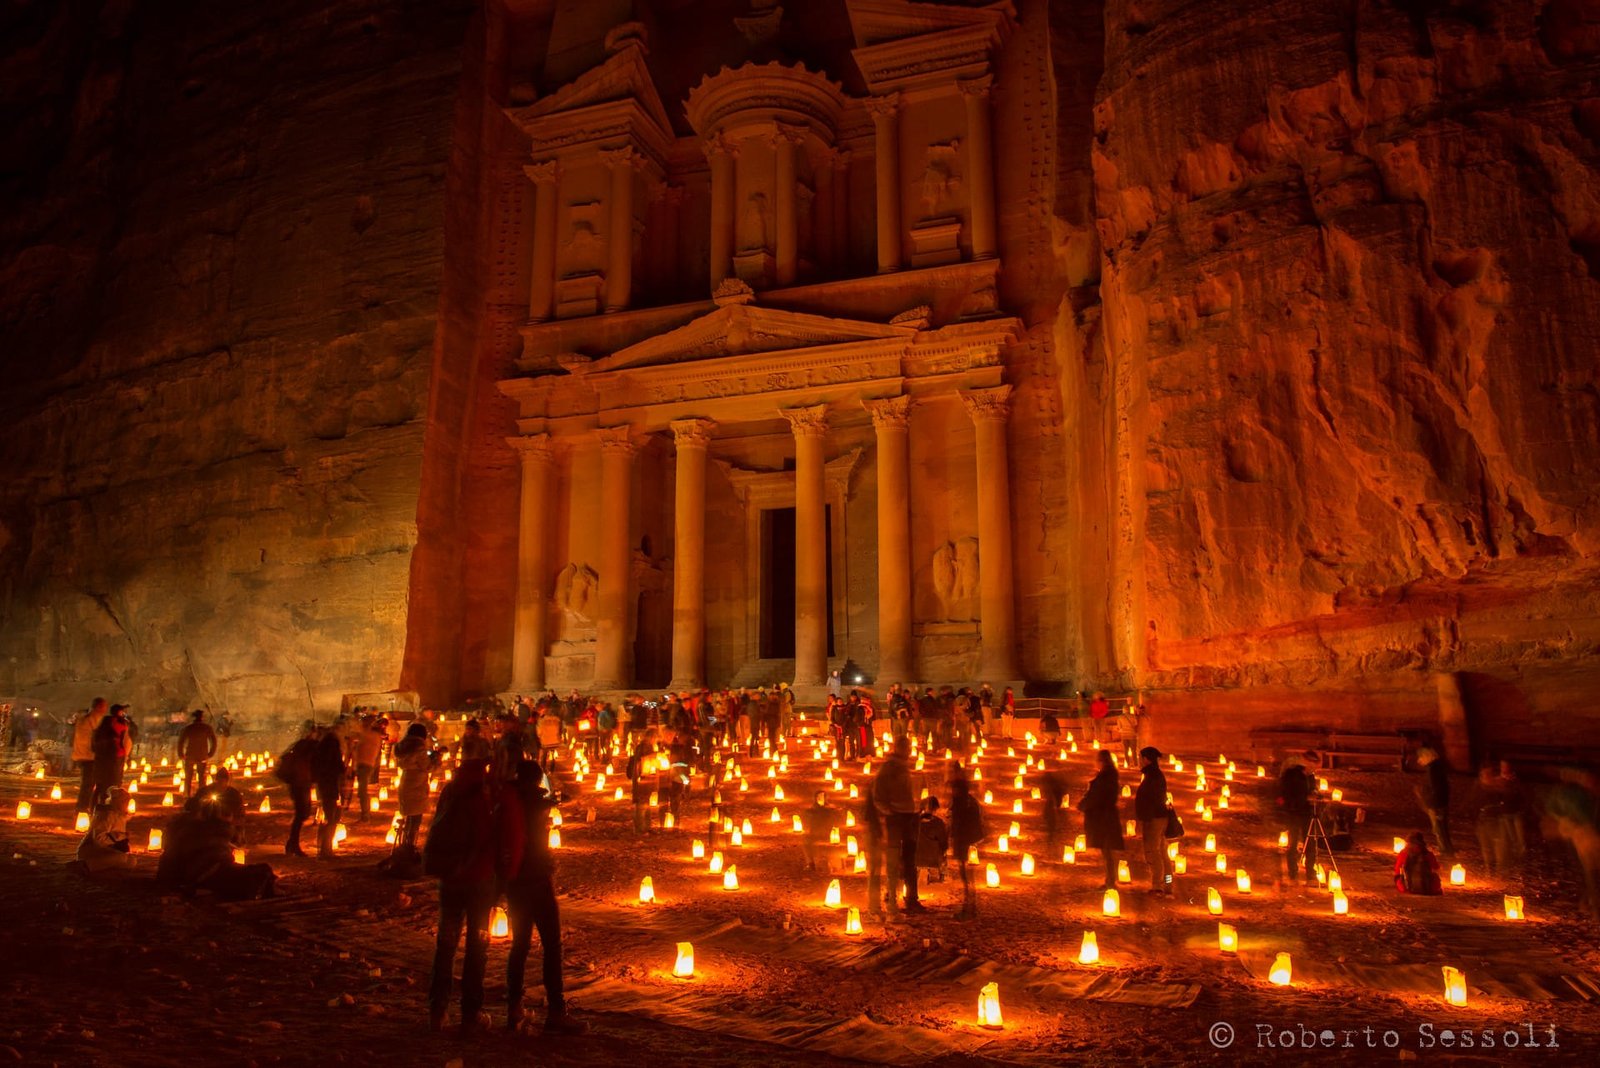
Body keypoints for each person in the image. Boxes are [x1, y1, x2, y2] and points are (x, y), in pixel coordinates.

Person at [501, 756, 587, 1035]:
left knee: (520, 946)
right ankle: (556, 1010)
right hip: (537, 878)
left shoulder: (506, 802)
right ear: (537, 780)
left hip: (514, 881)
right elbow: (563, 799)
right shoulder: (538, 803)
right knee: (552, 945)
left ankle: (514, 1008)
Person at [425, 757, 510, 1035]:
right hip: (478, 881)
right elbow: (490, 838)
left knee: (445, 945)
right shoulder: (483, 799)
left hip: (449, 880)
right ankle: (471, 1013)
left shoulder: (449, 792)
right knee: (477, 947)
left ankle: (437, 1011)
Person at [872, 736, 923, 914]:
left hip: (909, 817)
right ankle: (892, 896)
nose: (909, 750)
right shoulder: (889, 768)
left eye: (909, 747)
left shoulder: (903, 766)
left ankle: (911, 899)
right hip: (895, 819)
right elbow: (877, 794)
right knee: (894, 860)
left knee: (910, 860)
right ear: (899, 748)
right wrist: (888, 811)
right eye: (906, 747)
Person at [1078, 749, 1124, 889]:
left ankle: (1110, 881)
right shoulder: (1108, 775)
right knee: (1107, 850)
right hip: (1106, 815)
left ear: (1102, 761)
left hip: (1104, 817)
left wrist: (1083, 805)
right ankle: (1110, 880)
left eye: (1097, 760)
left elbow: (1097, 796)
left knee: (1107, 850)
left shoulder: (1106, 777)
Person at [1474, 761, 1527, 877]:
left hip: (1498, 821)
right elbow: (1474, 803)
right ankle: (1489, 871)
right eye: (1485, 774)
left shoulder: (1501, 786)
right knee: (1486, 848)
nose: (1487, 776)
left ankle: (1500, 874)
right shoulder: (1479, 787)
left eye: (1489, 774)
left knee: (1501, 849)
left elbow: (1512, 799)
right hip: (1483, 821)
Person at [393, 722, 434, 857]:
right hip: (417, 783)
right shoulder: (419, 748)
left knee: (408, 817)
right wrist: (436, 759)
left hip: (406, 781)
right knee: (415, 819)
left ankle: (404, 844)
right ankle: (410, 847)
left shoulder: (402, 747)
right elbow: (427, 766)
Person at [1135, 746, 1172, 894]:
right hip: (1159, 817)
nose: (1139, 761)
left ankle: (1157, 885)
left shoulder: (1153, 776)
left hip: (1154, 819)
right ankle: (1168, 884)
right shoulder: (1154, 774)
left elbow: (1152, 799)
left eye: (1140, 758)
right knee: (1162, 852)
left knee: (1154, 851)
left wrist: (1145, 818)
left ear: (1146, 759)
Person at [277, 726, 318, 857]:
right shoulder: (308, 745)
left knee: (302, 814)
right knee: (302, 814)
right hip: (300, 783)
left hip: (300, 783)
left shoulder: (301, 745)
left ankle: (292, 843)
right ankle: (293, 844)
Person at [1278, 751, 1318, 884]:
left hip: (1307, 813)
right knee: (1293, 842)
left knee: (1310, 842)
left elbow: (1312, 789)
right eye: (1312, 764)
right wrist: (1305, 798)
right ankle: (1292, 872)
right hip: (1293, 812)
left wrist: (1315, 795)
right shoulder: (1292, 775)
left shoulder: (1310, 777)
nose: (1314, 768)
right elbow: (1287, 794)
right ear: (1305, 762)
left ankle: (1310, 872)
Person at [949, 774, 985, 920]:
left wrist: (954, 839)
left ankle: (969, 908)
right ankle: (970, 907)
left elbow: (959, 823)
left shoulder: (962, 803)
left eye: (954, 789)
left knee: (967, 877)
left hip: (965, 842)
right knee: (967, 877)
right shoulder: (970, 801)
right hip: (970, 842)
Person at [76, 787, 133, 874]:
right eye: (125, 802)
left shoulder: (120, 816)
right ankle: (84, 865)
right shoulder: (106, 816)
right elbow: (99, 839)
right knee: (122, 858)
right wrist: (121, 836)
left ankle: (103, 866)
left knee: (131, 861)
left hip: (108, 850)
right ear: (119, 802)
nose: (127, 805)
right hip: (92, 849)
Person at [311, 725, 347, 859]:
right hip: (330, 785)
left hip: (324, 784)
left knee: (328, 817)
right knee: (331, 818)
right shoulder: (332, 745)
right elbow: (338, 767)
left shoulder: (320, 747)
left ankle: (324, 848)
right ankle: (325, 850)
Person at [90, 704, 132, 810]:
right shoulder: (120, 723)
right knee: (114, 784)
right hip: (115, 757)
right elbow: (125, 740)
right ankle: (111, 808)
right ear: (119, 712)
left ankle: (94, 807)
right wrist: (127, 757)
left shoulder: (103, 723)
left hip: (101, 757)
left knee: (100, 785)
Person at [71, 698, 109, 813]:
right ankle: (82, 807)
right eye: (104, 706)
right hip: (90, 755)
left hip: (84, 755)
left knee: (89, 783)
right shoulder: (94, 719)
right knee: (89, 784)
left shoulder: (85, 718)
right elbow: (97, 737)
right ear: (98, 707)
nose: (105, 709)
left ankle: (85, 806)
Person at [1415, 747, 1455, 856]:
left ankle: (1445, 851)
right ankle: (1447, 849)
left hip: (1436, 804)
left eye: (1420, 757)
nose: (1419, 761)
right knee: (1441, 828)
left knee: (1439, 829)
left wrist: (1433, 804)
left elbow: (1436, 788)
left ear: (1426, 756)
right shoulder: (1436, 768)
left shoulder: (1433, 770)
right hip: (1439, 803)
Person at [176, 710, 218, 797]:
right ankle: (201, 794)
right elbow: (213, 741)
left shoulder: (189, 728)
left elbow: (181, 742)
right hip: (202, 755)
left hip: (190, 755)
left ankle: (187, 794)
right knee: (202, 777)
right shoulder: (207, 728)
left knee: (188, 777)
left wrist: (181, 754)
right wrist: (211, 753)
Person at [351, 715, 386, 820]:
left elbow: (359, 740)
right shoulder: (372, 735)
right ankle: (365, 812)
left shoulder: (370, 735)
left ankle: (365, 813)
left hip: (366, 764)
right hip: (365, 763)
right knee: (362, 789)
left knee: (362, 790)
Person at [802, 790, 839, 872]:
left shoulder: (830, 809)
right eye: (818, 797)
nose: (820, 799)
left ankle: (830, 864)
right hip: (815, 834)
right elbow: (808, 821)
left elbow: (835, 821)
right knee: (806, 843)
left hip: (829, 835)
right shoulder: (812, 809)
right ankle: (811, 864)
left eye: (822, 797)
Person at [915, 797, 949, 884]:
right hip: (933, 858)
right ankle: (942, 875)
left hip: (916, 856)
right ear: (934, 809)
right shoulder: (938, 823)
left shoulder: (913, 821)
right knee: (943, 850)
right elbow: (943, 842)